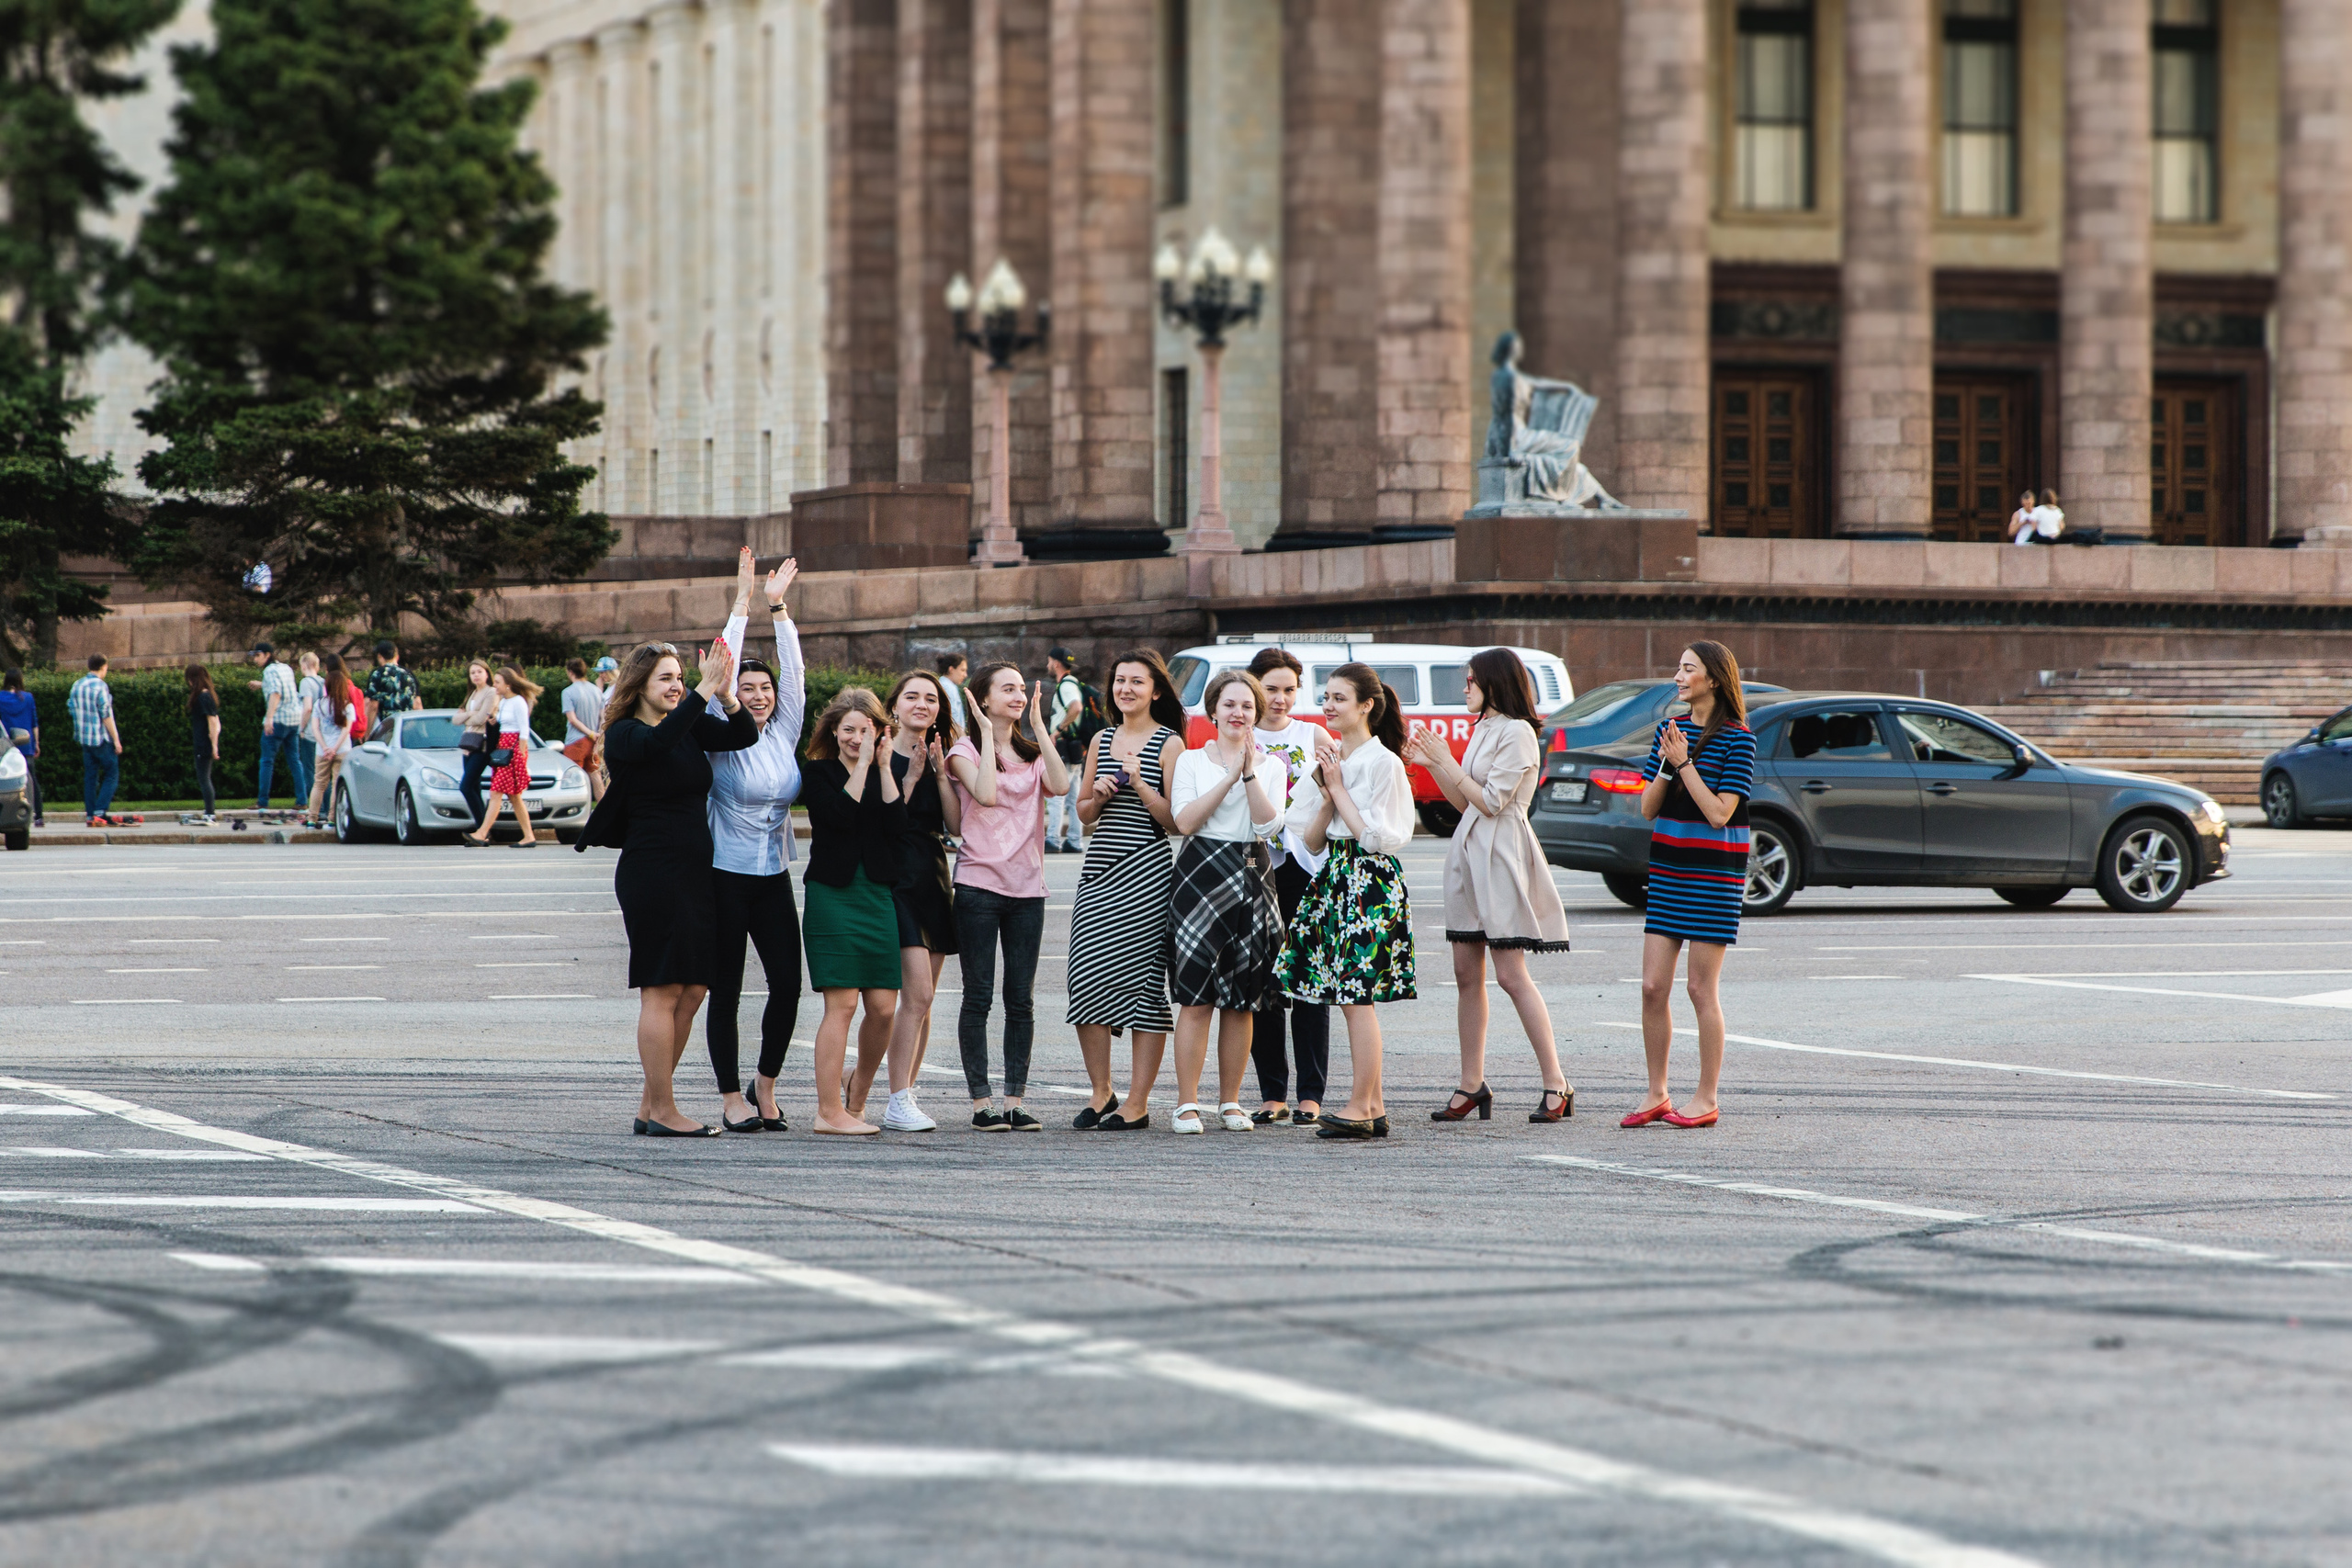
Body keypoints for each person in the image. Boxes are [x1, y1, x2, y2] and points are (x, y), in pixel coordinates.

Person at [578, 634, 756, 1136]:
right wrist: (702, 691)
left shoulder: (691, 726)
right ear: (639, 685)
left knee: (695, 987)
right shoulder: (629, 734)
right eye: (667, 679)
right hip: (653, 873)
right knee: (662, 988)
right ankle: (663, 1110)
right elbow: (659, 744)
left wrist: (723, 695)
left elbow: (744, 735)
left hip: (694, 874)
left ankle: (649, 1105)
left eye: (681, 677)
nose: (678, 686)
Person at [1406, 648, 1575, 1123]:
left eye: (1471, 681)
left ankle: (1556, 1082)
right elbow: (1466, 803)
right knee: (1466, 974)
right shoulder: (1484, 727)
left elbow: (1495, 802)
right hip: (1470, 851)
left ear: (1494, 683)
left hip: (1501, 853)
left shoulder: (1518, 731)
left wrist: (1446, 760)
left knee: (1510, 974)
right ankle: (1471, 1083)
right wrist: (1432, 762)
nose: (1464, 689)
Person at [1274, 662, 1416, 1142]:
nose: (1328, 706)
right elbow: (1310, 840)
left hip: (1370, 879)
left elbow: (1381, 837)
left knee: (1358, 998)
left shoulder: (1384, 762)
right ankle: (1370, 1106)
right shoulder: (1330, 760)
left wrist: (1337, 790)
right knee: (1346, 996)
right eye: (1326, 697)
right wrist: (1329, 793)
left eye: (1338, 698)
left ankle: (1361, 1104)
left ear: (1366, 706)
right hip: (1335, 873)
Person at [1627, 640, 1756, 1133]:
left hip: (1714, 877)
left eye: (1688, 669)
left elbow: (1721, 813)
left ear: (1715, 680)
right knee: (1651, 986)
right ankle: (1657, 1093)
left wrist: (1685, 764)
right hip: (1669, 872)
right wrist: (1667, 762)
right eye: (1678, 669)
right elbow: (1647, 808)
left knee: (1701, 988)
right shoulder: (1669, 730)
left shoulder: (1739, 739)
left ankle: (1706, 1098)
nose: (1678, 677)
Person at [706, 553, 808, 1135]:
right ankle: (729, 1096)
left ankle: (764, 1085)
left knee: (787, 986)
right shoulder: (721, 735)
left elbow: (796, 674)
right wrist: (743, 603)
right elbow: (723, 663)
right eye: (748, 688)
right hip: (724, 874)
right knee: (726, 990)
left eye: (764, 688)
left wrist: (779, 609)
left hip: (773, 876)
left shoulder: (784, 732)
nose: (761, 695)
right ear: (731, 692)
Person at [945, 661, 1069, 1132]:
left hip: (1027, 888)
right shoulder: (963, 750)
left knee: (1021, 999)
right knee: (978, 997)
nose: (1019, 696)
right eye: (1009, 689)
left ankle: (1014, 1099)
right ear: (983, 697)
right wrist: (983, 732)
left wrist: (1038, 728)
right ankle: (981, 1104)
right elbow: (987, 795)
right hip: (978, 884)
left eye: (1022, 689)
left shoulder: (1034, 750)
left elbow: (1058, 786)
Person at [1167, 670, 1287, 1134]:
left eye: (1247, 707)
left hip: (1255, 875)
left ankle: (1232, 1101)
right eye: (1230, 705)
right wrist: (1229, 777)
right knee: (1195, 998)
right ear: (1213, 710)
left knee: (1243, 999)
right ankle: (1186, 1103)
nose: (1238, 713)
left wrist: (1251, 772)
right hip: (1201, 873)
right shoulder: (1194, 762)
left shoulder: (1273, 766)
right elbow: (1185, 822)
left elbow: (1267, 827)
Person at [1083, 649, 1188, 1133]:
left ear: (1156, 691)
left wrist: (1142, 785)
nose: (1126, 689)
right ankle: (1102, 1091)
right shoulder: (1101, 738)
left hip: (1145, 872)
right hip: (1098, 870)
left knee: (1144, 985)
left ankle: (1138, 1102)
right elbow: (1084, 815)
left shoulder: (1170, 744)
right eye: (1120, 681)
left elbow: (1175, 821)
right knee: (1085, 979)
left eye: (1137, 682)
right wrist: (1100, 793)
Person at [855, 669, 960, 1134]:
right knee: (916, 994)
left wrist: (938, 775)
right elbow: (880, 822)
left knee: (925, 1002)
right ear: (893, 705)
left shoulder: (942, 754)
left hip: (933, 876)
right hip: (893, 879)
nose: (923, 704)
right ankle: (897, 1099)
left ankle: (891, 1089)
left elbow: (955, 826)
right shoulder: (880, 753)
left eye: (931, 698)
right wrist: (912, 776)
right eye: (912, 697)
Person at [799, 687, 904, 1137]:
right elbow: (841, 816)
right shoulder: (818, 772)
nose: (857, 738)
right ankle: (828, 1111)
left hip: (876, 895)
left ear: (880, 731)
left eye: (866, 730)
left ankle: (857, 1094)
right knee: (840, 1005)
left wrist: (882, 767)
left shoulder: (886, 769)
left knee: (883, 1008)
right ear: (834, 732)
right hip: (833, 895)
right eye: (849, 729)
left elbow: (898, 828)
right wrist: (862, 765)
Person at [1245, 648, 1329, 1126]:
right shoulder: (1241, 731)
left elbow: (1333, 792)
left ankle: (1311, 1094)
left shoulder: (1312, 734)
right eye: (1271, 689)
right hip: (1258, 866)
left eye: (1289, 690)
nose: (1280, 699)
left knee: (1309, 981)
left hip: (1304, 866)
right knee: (1266, 983)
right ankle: (1272, 1092)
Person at [462, 666, 545, 847]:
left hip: (513, 749)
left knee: (496, 792)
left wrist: (522, 756)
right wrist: (494, 720)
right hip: (503, 748)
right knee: (514, 796)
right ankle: (528, 836)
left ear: (508, 684)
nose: (495, 685)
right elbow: (502, 724)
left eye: (498, 682)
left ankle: (482, 833)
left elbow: (524, 730)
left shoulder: (518, 702)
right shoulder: (504, 702)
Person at [67, 655, 124, 827]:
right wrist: (116, 740)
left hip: (84, 739)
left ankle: (90, 815)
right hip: (100, 738)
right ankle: (100, 811)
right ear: (104, 667)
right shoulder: (101, 686)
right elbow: (106, 715)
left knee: (90, 778)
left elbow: (70, 707)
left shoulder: (77, 684)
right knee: (112, 773)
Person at [306, 654, 361, 829]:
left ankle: (311, 818)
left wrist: (325, 747)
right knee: (337, 784)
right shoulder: (348, 706)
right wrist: (336, 748)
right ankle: (332, 819)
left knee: (319, 784)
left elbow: (315, 728)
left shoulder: (319, 704)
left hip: (322, 751)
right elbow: (346, 730)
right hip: (342, 749)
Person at [1045, 648, 1089, 854]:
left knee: (1056, 792)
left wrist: (1058, 731)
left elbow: (1076, 707)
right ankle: (1075, 840)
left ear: (1056, 664)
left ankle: (1053, 838)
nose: (1047, 666)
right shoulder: (1074, 683)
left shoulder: (1066, 685)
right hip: (1075, 746)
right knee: (1074, 796)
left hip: (1065, 745)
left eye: (1049, 661)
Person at [249, 644, 301, 811]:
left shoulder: (269, 671)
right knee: (295, 760)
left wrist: (269, 718)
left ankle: (262, 802)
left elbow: (276, 692)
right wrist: (261, 684)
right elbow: (282, 687)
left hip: (278, 720)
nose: (255, 659)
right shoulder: (285, 668)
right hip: (294, 719)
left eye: (258, 655)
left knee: (266, 761)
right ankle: (302, 800)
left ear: (267, 655)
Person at [452, 660, 498, 829]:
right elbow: (455, 719)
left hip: (482, 744)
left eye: (479, 671)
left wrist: (469, 715)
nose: (476, 675)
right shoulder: (472, 694)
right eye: (472, 673)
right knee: (475, 788)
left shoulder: (491, 692)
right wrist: (471, 713)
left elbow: (481, 719)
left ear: (487, 673)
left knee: (466, 786)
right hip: (468, 745)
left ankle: (483, 828)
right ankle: (483, 830)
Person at [0, 669, 42, 828]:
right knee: (32, 781)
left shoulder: (0, 698)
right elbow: (34, 723)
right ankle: (39, 815)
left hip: (8, 745)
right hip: (26, 744)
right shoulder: (28, 698)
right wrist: (36, 743)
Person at [561, 657, 607, 802]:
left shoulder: (568, 692)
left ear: (570, 672)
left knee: (572, 778)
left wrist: (590, 733)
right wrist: (597, 734)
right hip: (594, 742)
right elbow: (603, 717)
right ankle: (604, 809)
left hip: (576, 741)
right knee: (595, 775)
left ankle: (574, 810)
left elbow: (572, 719)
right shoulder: (596, 691)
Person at [185, 665, 222, 823]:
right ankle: (209, 810)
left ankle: (210, 812)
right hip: (203, 742)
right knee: (204, 777)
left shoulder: (203, 697)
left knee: (204, 778)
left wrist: (214, 745)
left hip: (203, 743)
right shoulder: (206, 696)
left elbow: (213, 722)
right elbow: (217, 722)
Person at [362, 639, 422, 733]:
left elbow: (373, 706)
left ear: (379, 656)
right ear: (396, 656)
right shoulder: (409, 674)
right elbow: (417, 704)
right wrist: (421, 730)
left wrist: (367, 733)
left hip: (387, 728)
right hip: (407, 728)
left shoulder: (378, 674)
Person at [293, 651, 323, 823]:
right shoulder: (323, 681)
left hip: (310, 732)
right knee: (323, 774)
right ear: (317, 666)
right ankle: (326, 807)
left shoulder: (305, 683)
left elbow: (307, 708)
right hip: (323, 734)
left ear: (303, 666)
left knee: (311, 773)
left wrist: (301, 728)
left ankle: (315, 808)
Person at [934, 651, 972, 736]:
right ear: (951, 669)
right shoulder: (948, 688)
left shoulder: (944, 684)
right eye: (962, 670)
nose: (965, 675)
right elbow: (953, 719)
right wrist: (963, 740)